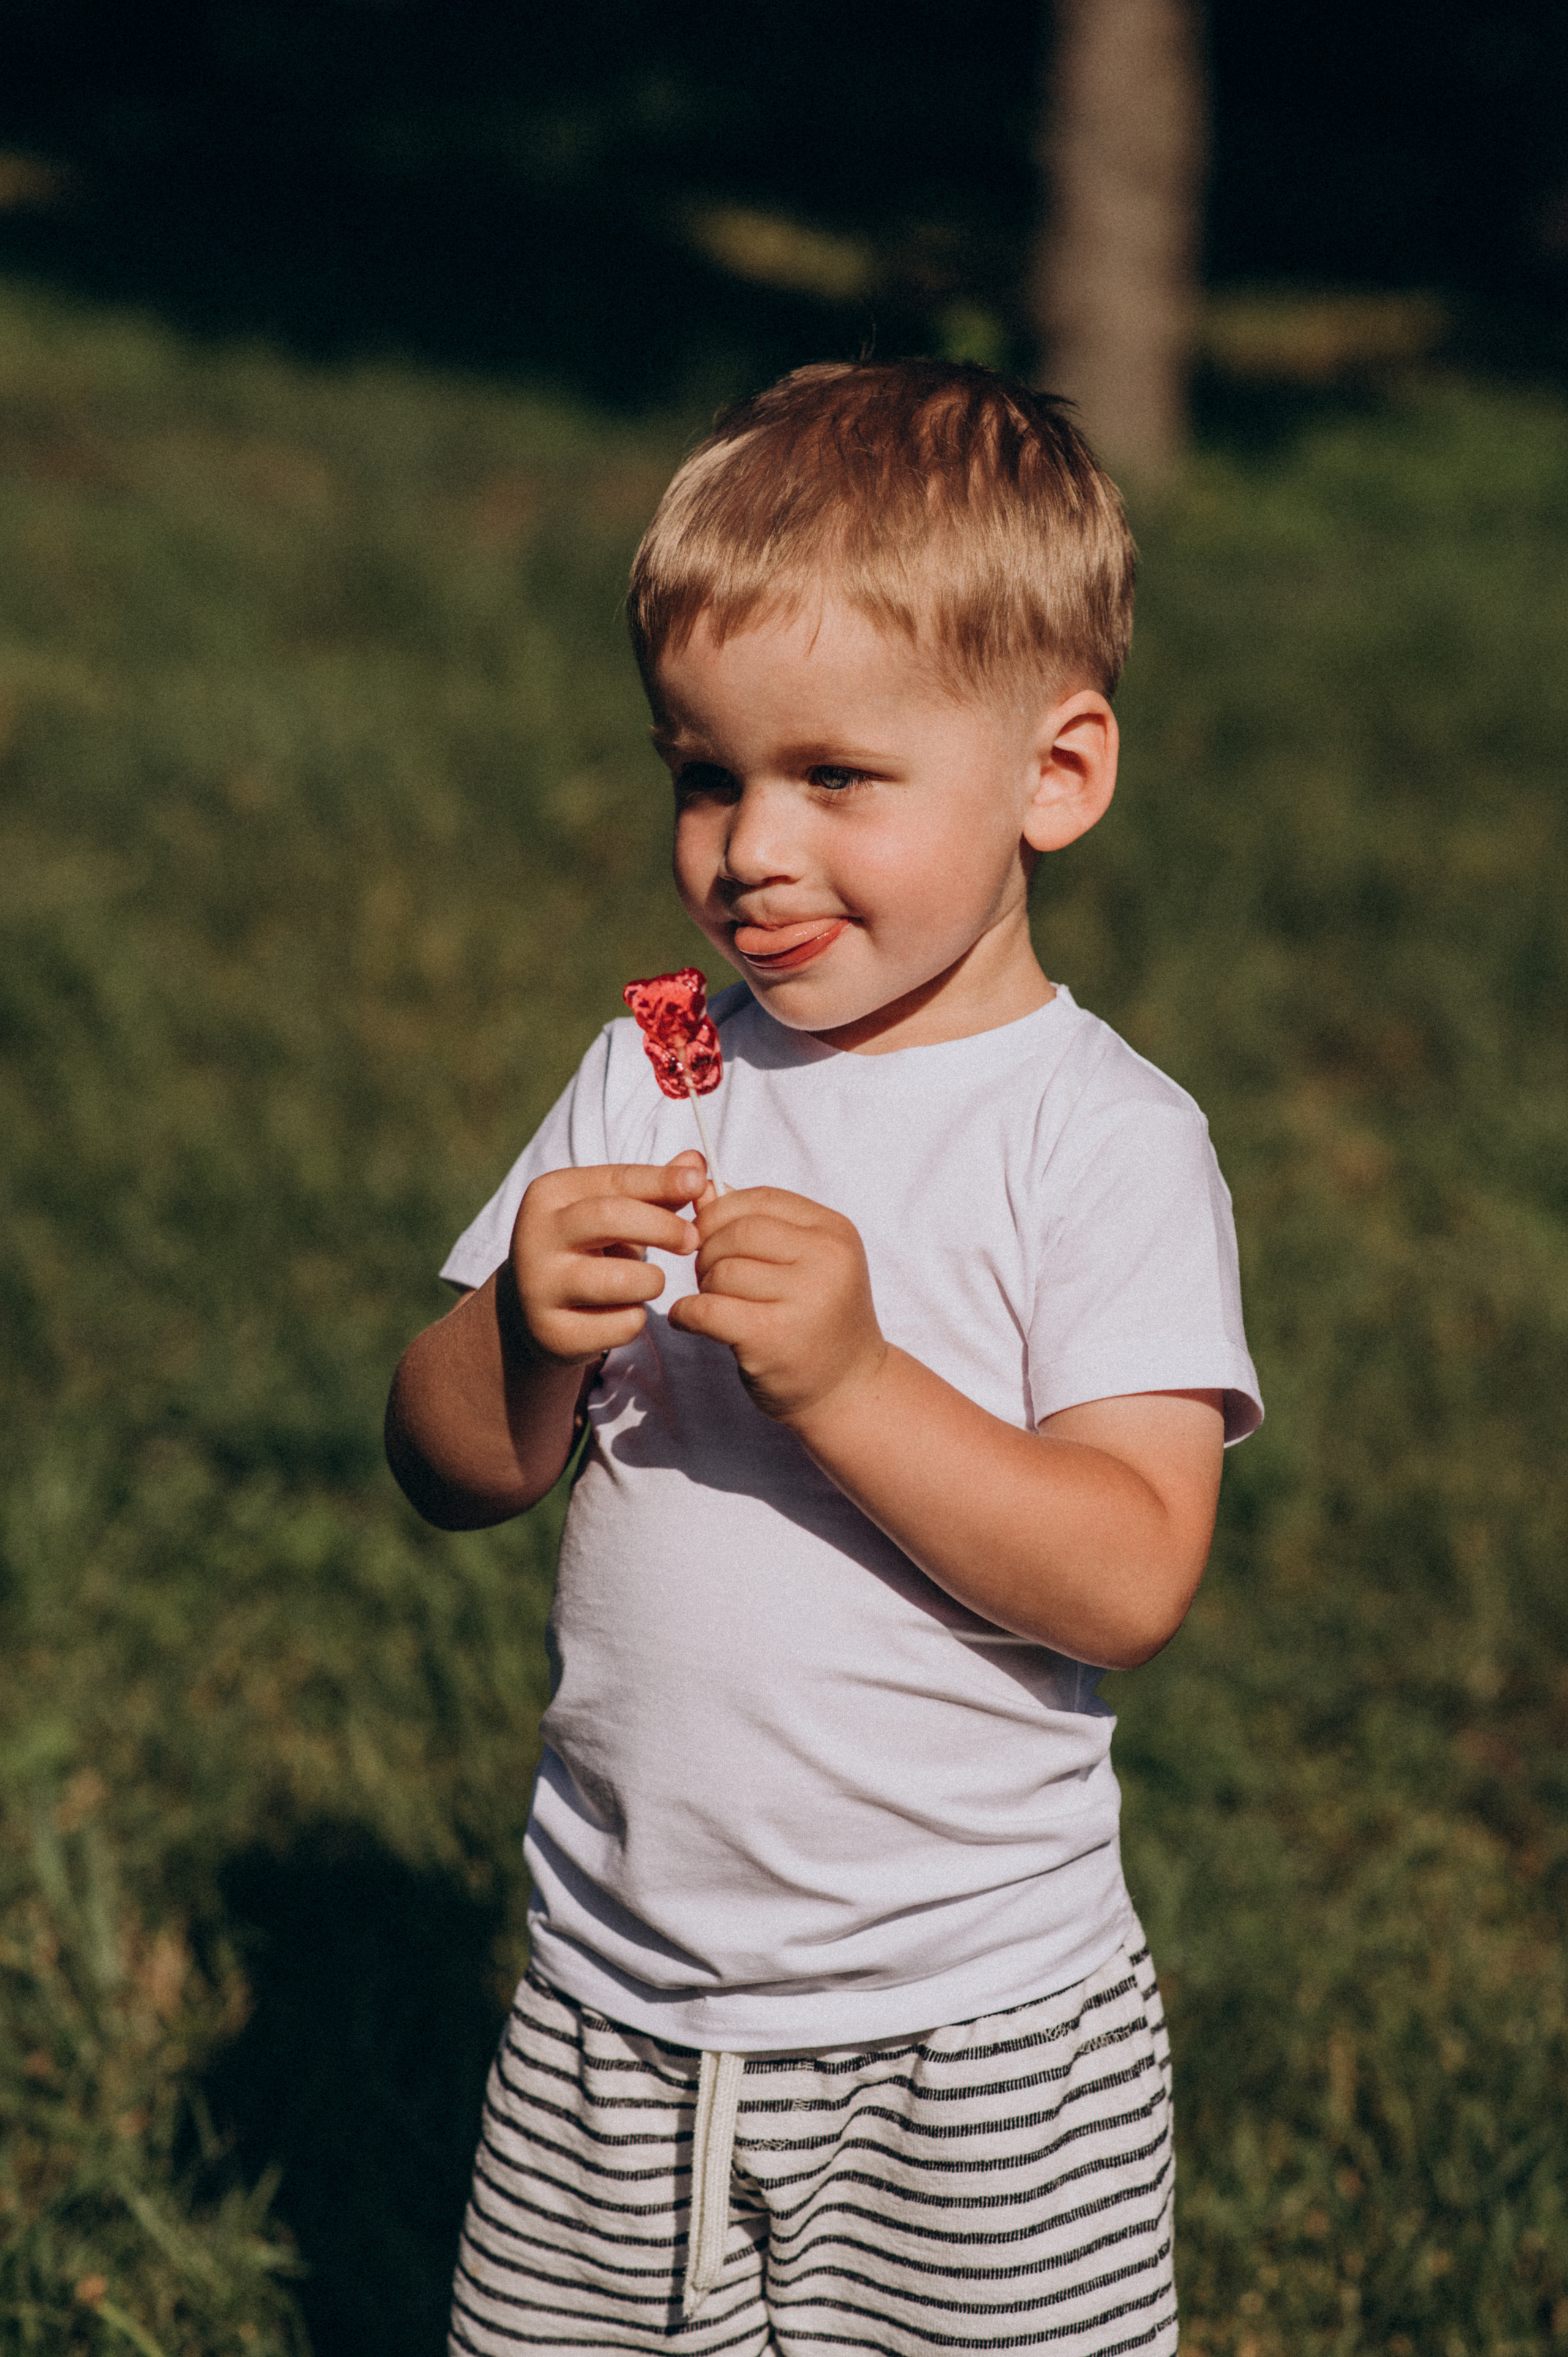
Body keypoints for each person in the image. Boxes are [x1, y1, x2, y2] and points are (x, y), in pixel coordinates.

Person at [386, 359, 1262, 2357]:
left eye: (834, 778)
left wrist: (857, 1384)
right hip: (613, 1995)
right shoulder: (659, 1067)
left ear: (1058, 774)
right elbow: (450, 1465)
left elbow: (1130, 1574)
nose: (748, 852)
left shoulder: (1099, 1139)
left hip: (968, 2036)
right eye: (704, 774)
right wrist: (517, 1325)